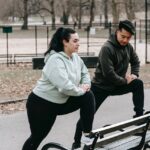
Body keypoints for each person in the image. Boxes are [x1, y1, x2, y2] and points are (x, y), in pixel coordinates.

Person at [72, 20, 145, 150]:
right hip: (101, 86)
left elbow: (136, 61)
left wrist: (134, 74)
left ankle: (139, 118)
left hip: (118, 84)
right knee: (87, 115)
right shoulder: (107, 48)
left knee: (138, 84)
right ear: (117, 32)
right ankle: (76, 142)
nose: (125, 40)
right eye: (123, 37)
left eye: (128, 38)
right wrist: (125, 81)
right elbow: (109, 74)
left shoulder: (128, 47)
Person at [22, 27, 95, 150]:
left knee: (88, 97)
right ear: (65, 42)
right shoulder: (55, 60)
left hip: (60, 102)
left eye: (78, 41)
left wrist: (86, 85)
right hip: (41, 105)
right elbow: (65, 87)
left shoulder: (75, 57)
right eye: (75, 41)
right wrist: (81, 90)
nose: (78, 44)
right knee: (37, 137)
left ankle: (87, 135)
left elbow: (85, 73)